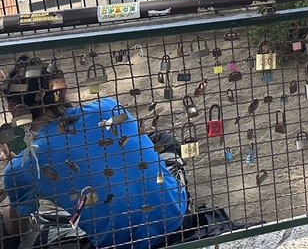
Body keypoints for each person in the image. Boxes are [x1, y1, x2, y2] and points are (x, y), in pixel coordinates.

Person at [0, 56, 187, 249]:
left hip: (123, 245)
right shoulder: (108, 106)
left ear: (14, 111)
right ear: (63, 90)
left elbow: (16, 228)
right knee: (160, 139)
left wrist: (13, 185)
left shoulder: (23, 167)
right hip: (180, 218)